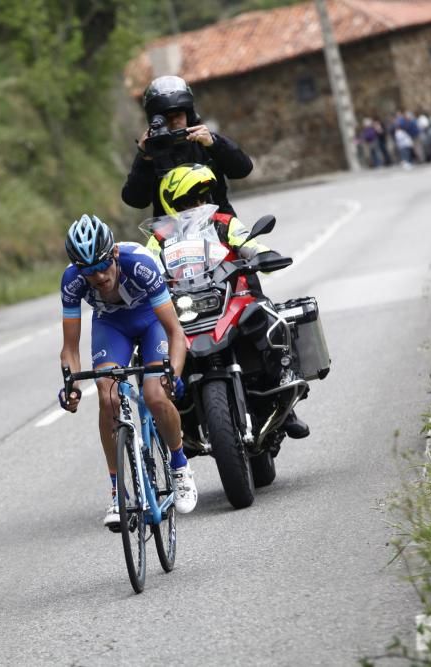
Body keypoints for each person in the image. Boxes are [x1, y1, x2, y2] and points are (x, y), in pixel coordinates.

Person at [144, 164, 310, 440]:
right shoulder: (159, 238)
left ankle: (284, 395)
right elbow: (146, 265)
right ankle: (169, 417)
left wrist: (262, 254)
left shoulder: (224, 222)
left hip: (229, 295)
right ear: (171, 204)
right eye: (188, 201)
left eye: (201, 198)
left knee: (266, 316)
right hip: (183, 303)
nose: (197, 205)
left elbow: (247, 243)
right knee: (150, 345)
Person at [58, 215, 198, 528]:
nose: (97, 276)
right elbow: (70, 348)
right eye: (88, 270)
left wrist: (172, 374)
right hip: (111, 325)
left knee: (154, 394)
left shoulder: (140, 265)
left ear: (115, 255)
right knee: (107, 396)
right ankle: (117, 491)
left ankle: (179, 466)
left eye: (102, 266)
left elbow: (176, 332)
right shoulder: (72, 280)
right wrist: (71, 385)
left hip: (151, 321)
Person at [122, 75, 252, 218]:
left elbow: (243, 169)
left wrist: (215, 144)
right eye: (166, 118)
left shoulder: (205, 141)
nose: (174, 121)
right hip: (172, 233)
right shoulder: (152, 152)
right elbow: (135, 201)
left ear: (189, 115)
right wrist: (143, 157)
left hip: (219, 225)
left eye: (178, 115)